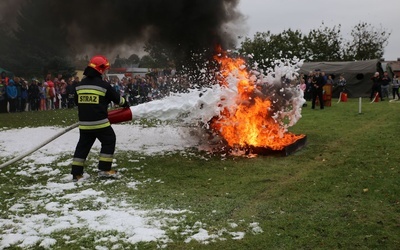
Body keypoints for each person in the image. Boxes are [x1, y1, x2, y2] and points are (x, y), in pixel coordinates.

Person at [71, 55, 129, 181]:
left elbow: (77, 102)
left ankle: (76, 173)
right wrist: (126, 103)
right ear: (100, 70)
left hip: (84, 124)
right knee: (109, 140)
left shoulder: (79, 86)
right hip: (100, 123)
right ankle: (104, 169)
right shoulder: (104, 85)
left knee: (83, 146)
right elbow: (118, 100)